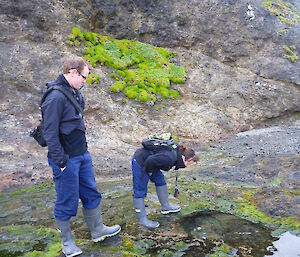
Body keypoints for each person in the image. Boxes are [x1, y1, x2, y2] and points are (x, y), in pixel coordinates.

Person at [42, 57, 121, 257]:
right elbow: (50, 132)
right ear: (73, 72)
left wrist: (84, 153)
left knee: (91, 193)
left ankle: (97, 230)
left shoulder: (74, 92)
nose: (85, 81)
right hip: (66, 159)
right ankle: (67, 242)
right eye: (84, 77)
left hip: (82, 154)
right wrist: (60, 162)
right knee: (66, 200)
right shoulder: (55, 97)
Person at [131, 143, 198, 229]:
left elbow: (154, 160)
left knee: (160, 180)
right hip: (141, 161)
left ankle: (166, 206)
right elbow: (150, 161)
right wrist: (150, 173)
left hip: (151, 161)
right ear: (183, 158)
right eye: (189, 163)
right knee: (140, 190)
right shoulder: (169, 158)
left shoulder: (176, 155)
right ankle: (142, 219)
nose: (188, 166)